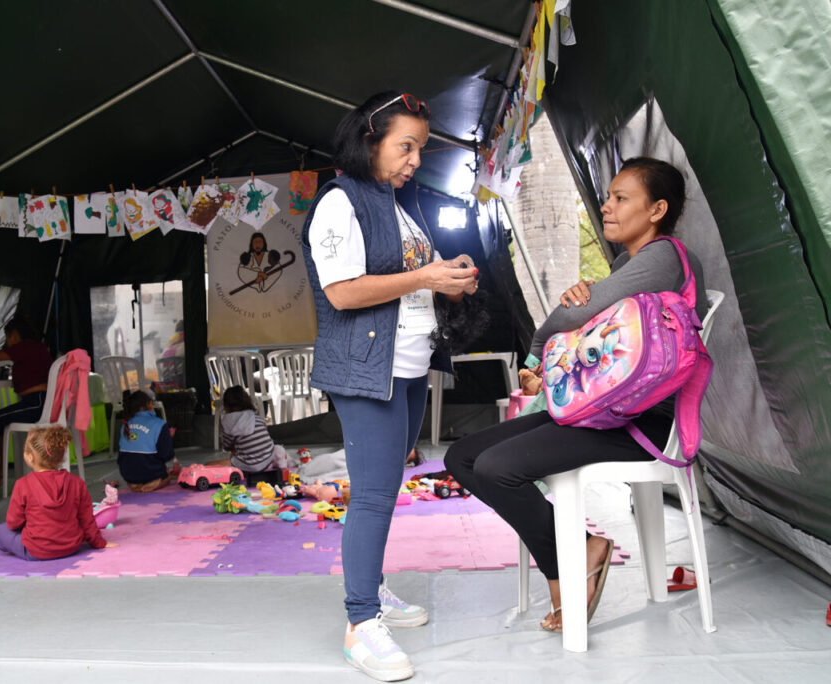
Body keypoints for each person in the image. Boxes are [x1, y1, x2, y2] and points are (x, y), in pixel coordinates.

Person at [445, 157, 708, 634]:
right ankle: (578, 553)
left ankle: (571, 564)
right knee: (463, 457)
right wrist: (582, 305)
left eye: (620, 198)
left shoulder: (664, 257)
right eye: (608, 196)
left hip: (644, 422)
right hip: (606, 411)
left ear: (657, 209)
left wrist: (536, 356)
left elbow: (569, 320)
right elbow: (584, 317)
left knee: (496, 467)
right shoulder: (630, 262)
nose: (606, 207)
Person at [301, 90, 479, 681]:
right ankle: (360, 622)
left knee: (385, 485)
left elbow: (408, 284)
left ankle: (372, 589)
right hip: (365, 371)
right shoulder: (339, 202)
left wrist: (445, 282)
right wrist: (425, 274)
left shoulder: (396, 206)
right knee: (374, 495)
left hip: (404, 365)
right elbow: (343, 292)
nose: (414, 160)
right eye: (406, 146)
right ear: (370, 139)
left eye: (419, 150)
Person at [0, 425, 116, 560]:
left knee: (0, 530)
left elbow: (13, 523)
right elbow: (87, 520)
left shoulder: (22, 484)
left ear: (30, 457)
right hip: (71, 547)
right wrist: (100, 543)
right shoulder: (77, 482)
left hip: (36, 551)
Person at [0, 314, 52, 491]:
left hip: (35, 402)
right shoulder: (38, 347)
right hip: (40, 402)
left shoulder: (24, 347)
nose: (8, 341)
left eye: (8, 337)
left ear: (14, 334)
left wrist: (3, 347)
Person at [213, 385, 287, 473]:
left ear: (226, 405)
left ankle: (237, 469)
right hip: (268, 459)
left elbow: (227, 446)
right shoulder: (255, 416)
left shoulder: (228, 421)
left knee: (213, 464)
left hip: (249, 465)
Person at [117, 389, 175, 493]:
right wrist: (168, 438)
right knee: (168, 475)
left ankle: (135, 484)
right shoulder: (159, 424)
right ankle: (153, 484)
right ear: (149, 404)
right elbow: (167, 455)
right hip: (151, 474)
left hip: (128, 475)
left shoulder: (125, 425)